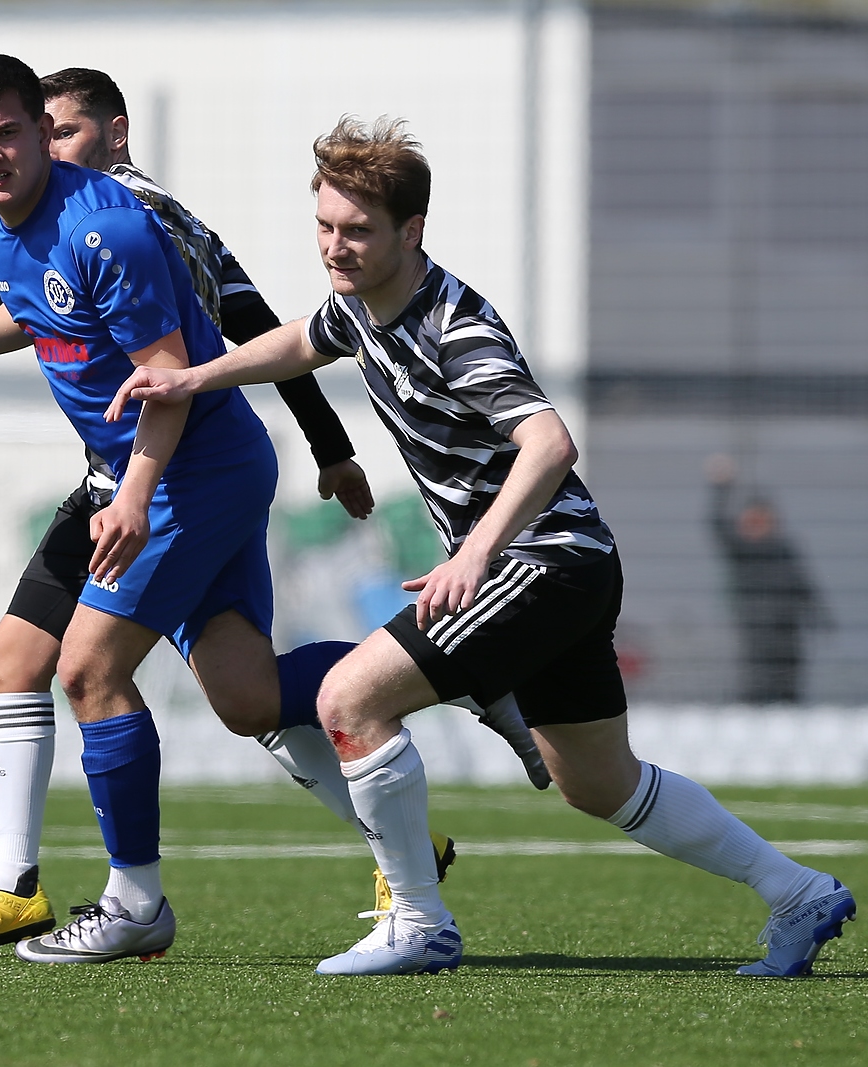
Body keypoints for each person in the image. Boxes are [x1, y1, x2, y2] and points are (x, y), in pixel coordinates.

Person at [108, 116, 855, 977]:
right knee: (599, 783)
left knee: (350, 698)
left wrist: (474, 553)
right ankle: (797, 891)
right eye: (324, 226)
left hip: (540, 560)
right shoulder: (357, 305)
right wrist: (195, 376)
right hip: (569, 566)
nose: (336, 248)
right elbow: (301, 341)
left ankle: (419, 921)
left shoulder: (453, 325)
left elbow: (550, 442)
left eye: (357, 231)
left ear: (411, 231)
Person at [0, 56, 495, 966]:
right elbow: (36, 309)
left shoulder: (110, 226)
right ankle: (445, 668)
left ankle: (135, 903)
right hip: (186, 467)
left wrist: (133, 495)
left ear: (41, 131)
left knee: (87, 670)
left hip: (187, 470)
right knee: (247, 696)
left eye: (10, 132)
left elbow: (170, 375)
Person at [706, 454, 825, 704]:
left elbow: (803, 584)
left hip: (787, 625)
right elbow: (716, 525)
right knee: (758, 677)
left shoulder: (784, 548)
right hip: (756, 625)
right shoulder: (741, 549)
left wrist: (818, 614)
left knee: (789, 677)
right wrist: (721, 487)